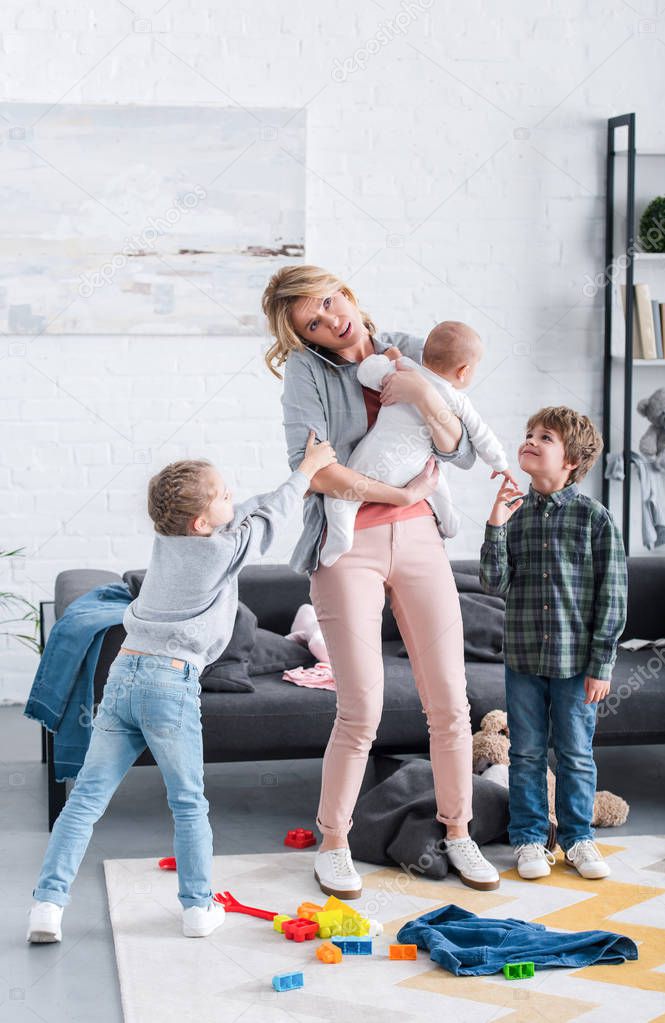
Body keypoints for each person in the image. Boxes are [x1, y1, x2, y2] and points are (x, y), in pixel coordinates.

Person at [26, 432, 336, 942]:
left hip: (125, 673)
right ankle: (197, 908)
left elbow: (247, 512)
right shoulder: (220, 552)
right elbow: (269, 519)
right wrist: (306, 472)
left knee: (85, 800)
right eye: (221, 495)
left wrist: (269, 489)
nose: (231, 497)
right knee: (189, 801)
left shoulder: (170, 540)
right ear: (201, 522)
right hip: (170, 682)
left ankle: (47, 906)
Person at [262, 263, 501, 899]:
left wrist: (422, 394)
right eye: (311, 322)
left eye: (329, 302)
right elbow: (318, 472)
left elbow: (459, 446)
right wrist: (396, 490)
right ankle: (333, 842)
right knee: (361, 706)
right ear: (303, 337)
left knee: (450, 701)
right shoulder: (307, 375)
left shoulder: (414, 348)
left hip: (421, 535)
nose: (330, 320)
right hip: (348, 547)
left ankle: (458, 832)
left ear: (346, 293)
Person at [480, 406, 627, 882]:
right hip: (522, 659)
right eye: (528, 433)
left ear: (571, 460)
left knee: (576, 753)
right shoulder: (515, 517)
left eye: (545, 437)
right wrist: (496, 525)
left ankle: (578, 838)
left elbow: (613, 594)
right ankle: (527, 838)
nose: (530, 440)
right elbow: (493, 581)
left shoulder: (594, 518)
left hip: (576, 662)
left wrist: (602, 663)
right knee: (524, 752)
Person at [320, 321, 513, 567]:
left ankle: (341, 536)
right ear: (463, 371)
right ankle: (449, 520)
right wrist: (501, 463)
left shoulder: (403, 368)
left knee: (340, 498)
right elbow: (481, 434)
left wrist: (386, 360)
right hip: (417, 468)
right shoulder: (457, 400)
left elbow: (364, 372)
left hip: (376, 460)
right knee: (435, 478)